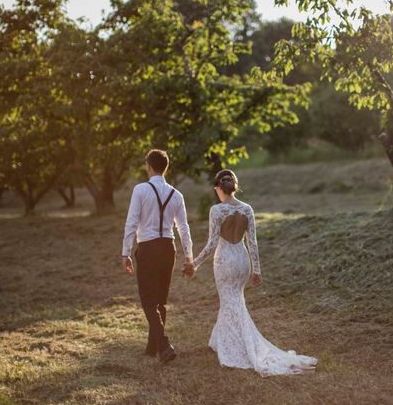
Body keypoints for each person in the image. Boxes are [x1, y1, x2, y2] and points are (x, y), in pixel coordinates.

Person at [191, 169, 317, 376]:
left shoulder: (216, 211)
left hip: (224, 260)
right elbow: (253, 243)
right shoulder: (247, 209)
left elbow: (212, 244)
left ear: (218, 188)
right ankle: (219, 340)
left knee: (229, 301)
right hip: (241, 260)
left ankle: (237, 347)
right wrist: (256, 270)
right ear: (235, 186)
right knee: (234, 300)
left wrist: (194, 264)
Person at [122, 149, 194, 364]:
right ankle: (152, 348)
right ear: (166, 168)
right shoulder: (177, 194)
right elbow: (184, 228)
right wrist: (189, 256)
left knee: (148, 301)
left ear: (149, 167)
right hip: (168, 249)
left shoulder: (141, 190)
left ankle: (163, 345)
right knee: (160, 300)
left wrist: (125, 252)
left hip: (148, 248)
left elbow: (132, 222)